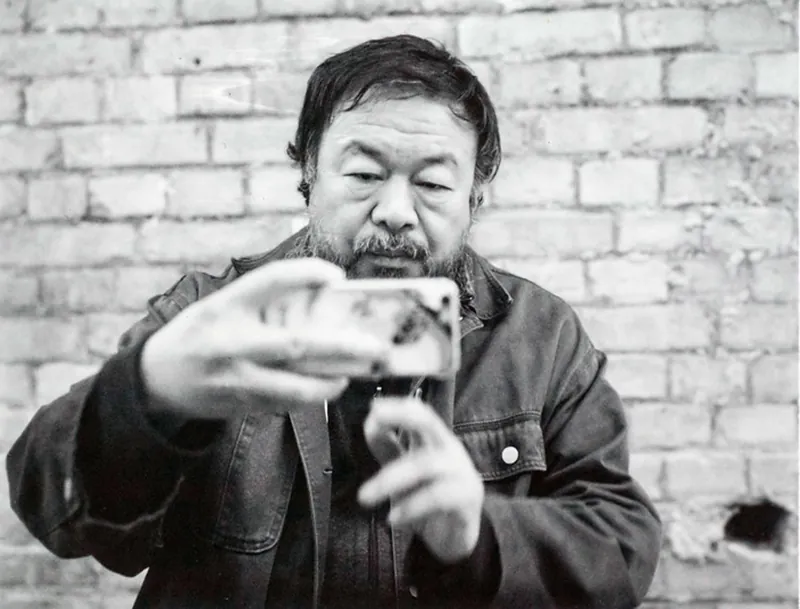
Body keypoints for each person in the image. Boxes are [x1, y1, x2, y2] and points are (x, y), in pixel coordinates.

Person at [6, 35, 662, 609]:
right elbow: (49, 504)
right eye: (363, 174)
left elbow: (620, 550)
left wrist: (477, 531)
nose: (396, 211)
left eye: (432, 184)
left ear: (476, 197)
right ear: (307, 176)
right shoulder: (215, 313)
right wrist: (148, 393)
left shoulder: (540, 335)